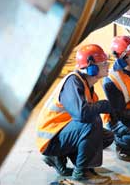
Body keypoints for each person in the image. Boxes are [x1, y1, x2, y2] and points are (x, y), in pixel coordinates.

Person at [35, 43, 115, 183]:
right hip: (50, 140)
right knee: (91, 122)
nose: (107, 65)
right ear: (92, 67)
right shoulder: (73, 82)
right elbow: (82, 114)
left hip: (59, 135)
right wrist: (103, 105)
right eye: (103, 63)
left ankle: (58, 158)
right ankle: (82, 174)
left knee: (106, 136)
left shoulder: (87, 86)